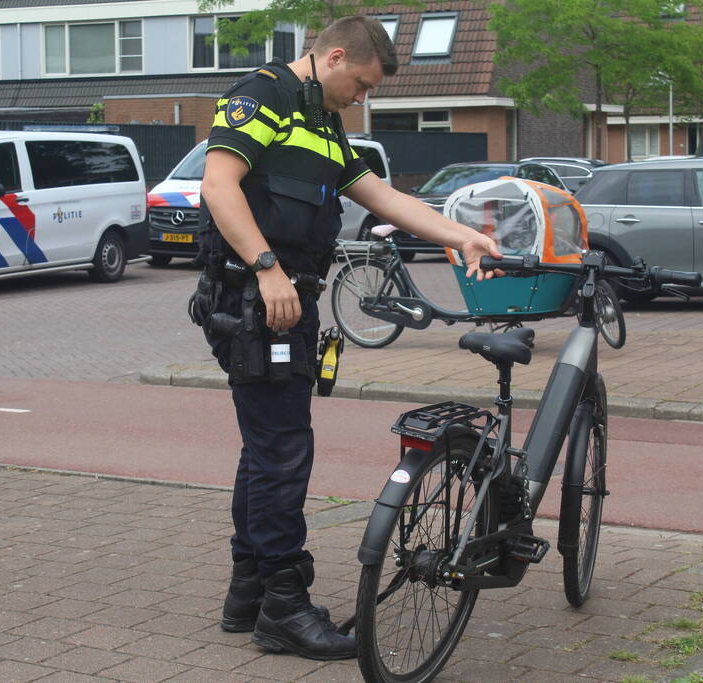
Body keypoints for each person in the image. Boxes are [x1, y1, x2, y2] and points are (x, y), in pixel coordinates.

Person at [189, 15, 502, 661]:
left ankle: (249, 588)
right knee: (282, 449)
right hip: (258, 299)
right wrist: (266, 268)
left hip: (282, 300)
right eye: (359, 83)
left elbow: (380, 195)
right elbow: (218, 185)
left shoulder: (323, 121)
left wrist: (458, 234)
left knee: (266, 446)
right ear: (334, 57)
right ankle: (282, 606)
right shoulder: (265, 95)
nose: (361, 98)